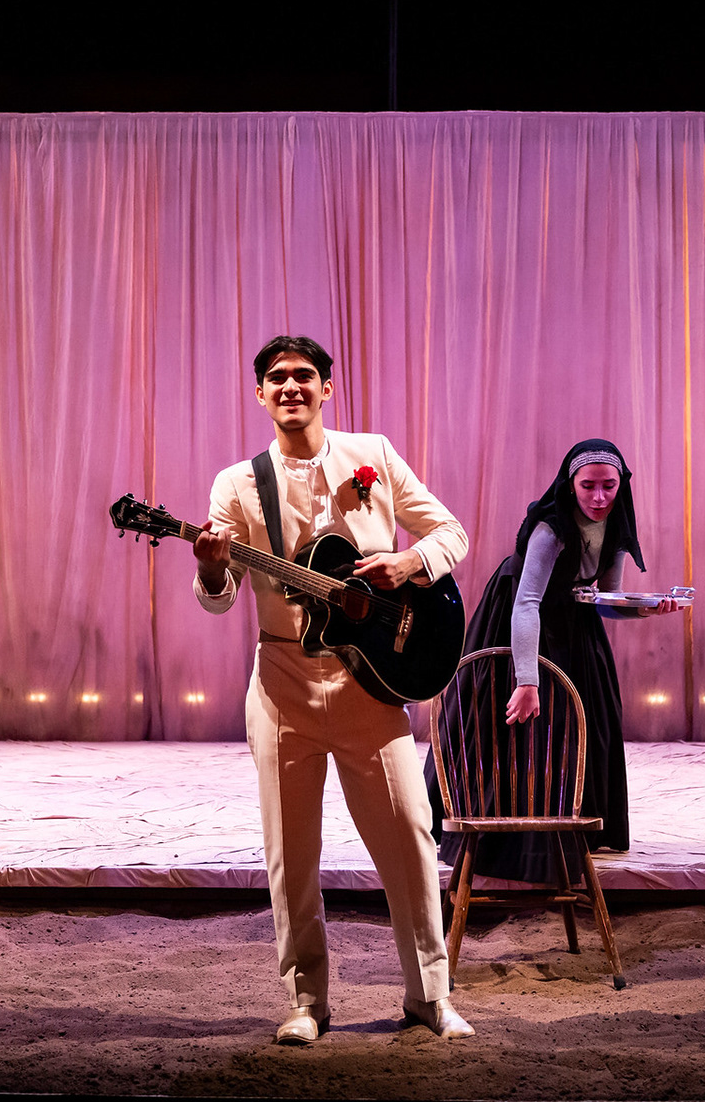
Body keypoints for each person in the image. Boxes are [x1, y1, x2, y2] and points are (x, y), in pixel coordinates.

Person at [193, 335, 473, 1044]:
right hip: (283, 684)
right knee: (290, 853)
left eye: (304, 375)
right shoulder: (237, 484)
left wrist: (408, 563)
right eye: (276, 377)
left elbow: (451, 533)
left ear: (326, 388)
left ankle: (429, 996)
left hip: (369, 684)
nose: (290, 386)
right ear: (259, 394)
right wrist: (213, 569)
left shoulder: (371, 454)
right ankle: (305, 1001)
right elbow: (219, 598)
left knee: (411, 837)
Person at [426, 439, 677, 879]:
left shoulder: (617, 523)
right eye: (588, 486)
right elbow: (526, 603)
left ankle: (577, 824)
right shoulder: (552, 527)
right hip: (521, 619)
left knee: (584, 718)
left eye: (609, 486)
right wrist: (526, 680)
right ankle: (513, 839)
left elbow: (605, 599)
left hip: (573, 621)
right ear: (570, 484)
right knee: (516, 726)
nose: (599, 497)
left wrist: (648, 608)